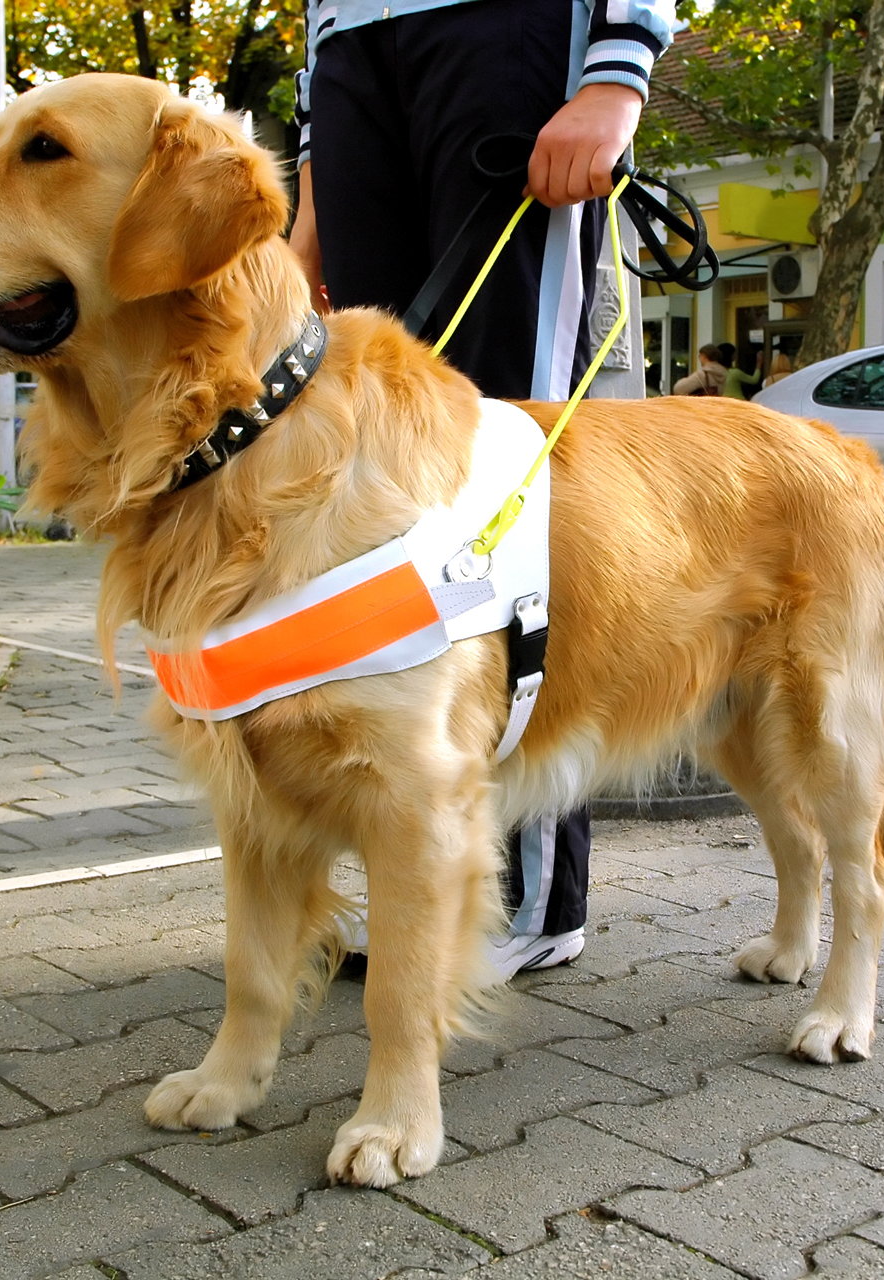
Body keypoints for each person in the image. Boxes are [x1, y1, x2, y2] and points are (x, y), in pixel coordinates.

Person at [290, 0, 678, 978]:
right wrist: (314, 174)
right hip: (350, 47)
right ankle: (416, 871)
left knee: (508, 463)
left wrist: (618, 66)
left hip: (513, 32)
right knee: (384, 475)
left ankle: (530, 893)